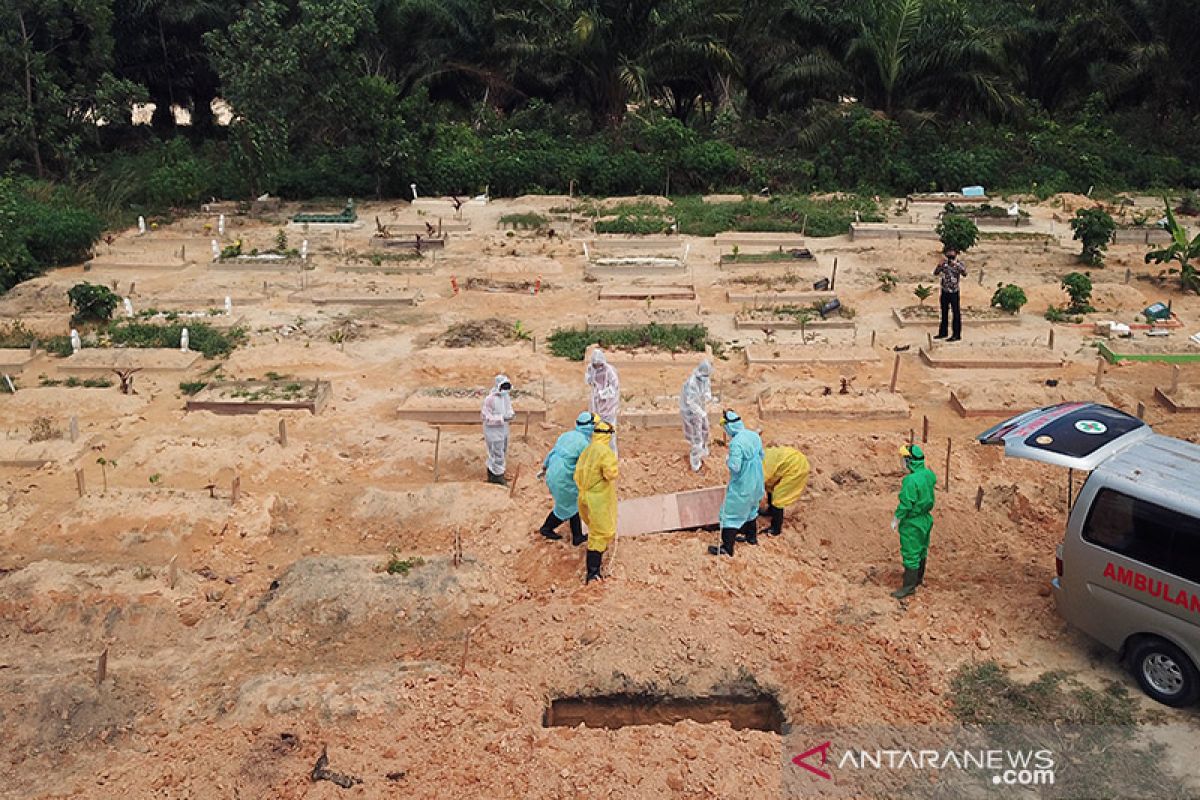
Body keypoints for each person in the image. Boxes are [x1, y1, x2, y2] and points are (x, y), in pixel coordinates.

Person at [709, 410, 764, 557]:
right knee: (752, 509)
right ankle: (751, 538)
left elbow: (735, 466)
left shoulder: (736, 444)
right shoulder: (753, 435)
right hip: (757, 482)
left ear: (729, 427)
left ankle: (727, 548)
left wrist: (728, 459)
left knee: (729, 515)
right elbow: (762, 455)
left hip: (743, 486)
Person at [537, 412, 595, 546]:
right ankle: (546, 529)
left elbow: (553, 452)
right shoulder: (584, 444)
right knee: (566, 507)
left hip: (553, 472)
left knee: (572, 505)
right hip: (562, 479)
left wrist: (545, 467)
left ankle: (577, 536)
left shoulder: (566, 435)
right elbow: (587, 466)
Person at [575, 420, 619, 583]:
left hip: (584, 497)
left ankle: (596, 559)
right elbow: (610, 473)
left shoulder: (588, 449)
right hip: (598, 499)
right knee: (600, 532)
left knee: (594, 528)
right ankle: (593, 572)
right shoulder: (604, 452)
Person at [891, 444, 937, 598]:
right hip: (925, 519)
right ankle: (918, 578)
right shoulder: (928, 474)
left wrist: (897, 517)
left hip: (912, 522)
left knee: (911, 552)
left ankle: (909, 586)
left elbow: (906, 503)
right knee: (922, 549)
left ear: (910, 460)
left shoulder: (910, 480)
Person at [761, 446, 811, 537]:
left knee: (779, 497)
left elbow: (757, 483)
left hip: (796, 468)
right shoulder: (761, 456)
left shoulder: (762, 465)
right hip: (789, 463)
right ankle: (771, 511)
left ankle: (775, 528)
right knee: (771, 486)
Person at [481, 374, 515, 485]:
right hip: (493, 431)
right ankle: (496, 476)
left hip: (503, 429)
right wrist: (500, 418)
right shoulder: (490, 400)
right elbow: (485, 417)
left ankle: (498, 473)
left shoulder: (506, 397)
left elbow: (509, 409)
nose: (505, 390)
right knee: (496, 453)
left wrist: (510, 415)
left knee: (503, 450)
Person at [680, 360, 714, 472]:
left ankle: (703, 451)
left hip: (700, 408)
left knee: (705, 429)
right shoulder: (692, 383)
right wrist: (700, 412)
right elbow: (691, 402)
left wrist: (708, 397)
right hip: (691, 411)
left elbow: (707, 390)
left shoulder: (705, 379)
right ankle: (695, 463)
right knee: (696, 436)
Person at [585, 349, 620, 454]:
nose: (597, 368)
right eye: (595, 365)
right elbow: (588, 380)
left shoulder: (610, 371)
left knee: (609, 432)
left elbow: (614, 387)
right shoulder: (591, 369)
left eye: (599, 365)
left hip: (609, 405)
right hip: (596, 404)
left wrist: (603, 394)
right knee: (595, 429)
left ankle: (611, 455)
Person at [933, 248, 967, 342]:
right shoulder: (944, 264)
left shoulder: (959, 264)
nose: (950, 254)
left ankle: (956, 334)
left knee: (956, 313)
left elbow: (964, 273)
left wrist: (955, 265)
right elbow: (935, 273)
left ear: (956, 253)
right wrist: (939, 266)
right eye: (948, 252)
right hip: (944, 291)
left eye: (952, 252)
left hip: (954, 292)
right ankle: (943, 332)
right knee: (944, 312)